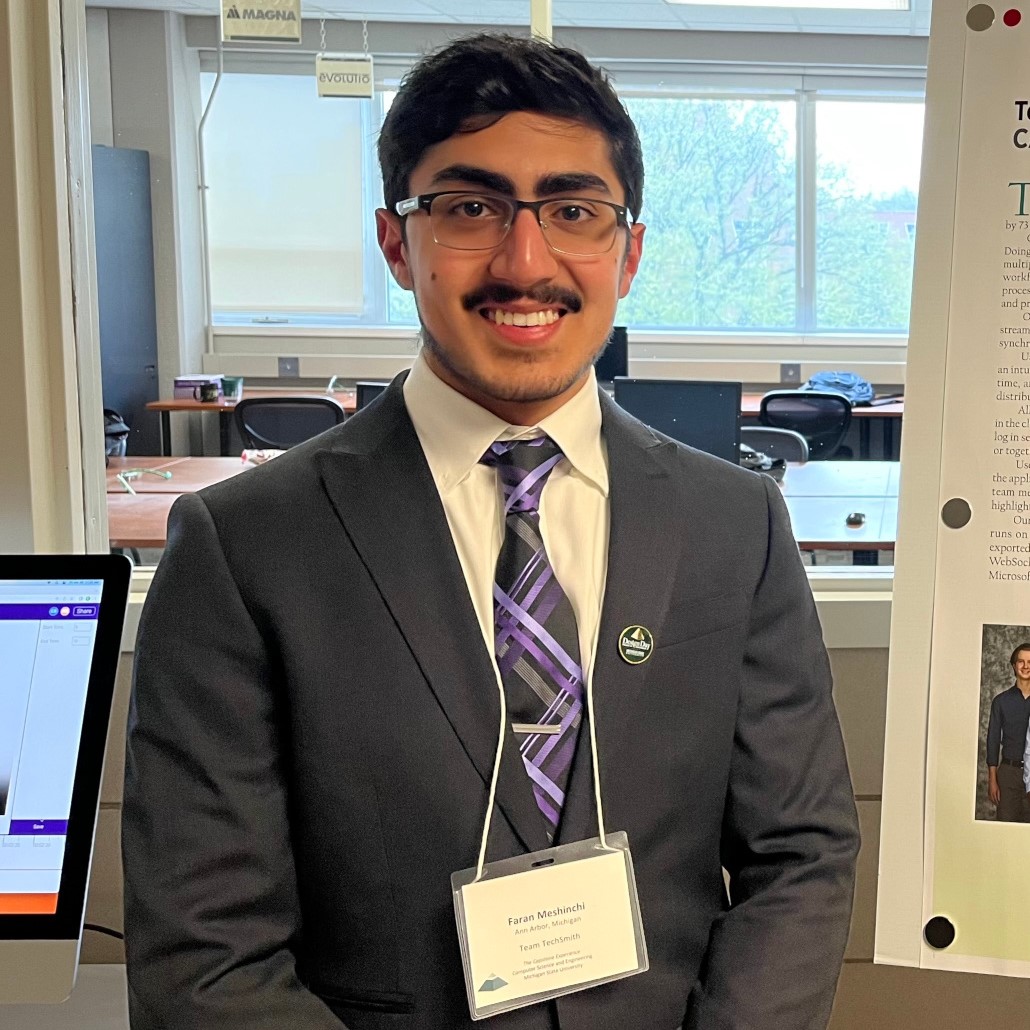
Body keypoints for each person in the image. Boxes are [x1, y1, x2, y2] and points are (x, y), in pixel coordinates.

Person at [123, 32, 859, 1030]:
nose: (525, 261)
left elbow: (800, 856)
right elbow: (205, 953)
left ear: (626, 251)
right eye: (469, 208)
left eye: (572, 212)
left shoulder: (734, 525)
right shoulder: (245, 545)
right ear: (397, 242)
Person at [985, 642, 1030, 820]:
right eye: (1021, 661)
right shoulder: (1001, 701)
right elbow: (993, 741)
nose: (1026, 666)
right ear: (1013, 665)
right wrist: (992, 779)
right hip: (1008, 775)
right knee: (1006, 828)